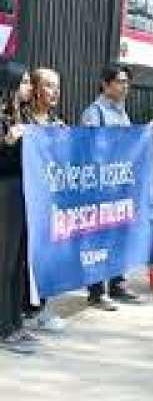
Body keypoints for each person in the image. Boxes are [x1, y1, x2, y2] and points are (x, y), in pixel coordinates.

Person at [9, 68, 67, 332]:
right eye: (48, 86)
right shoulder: (23, 119)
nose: (54, 92)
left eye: (57, 87)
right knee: (21, 259)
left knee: (46, 255)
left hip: (49, 200)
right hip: (22, 200)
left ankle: (41, 307)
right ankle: (24, 309)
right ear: (34, 89)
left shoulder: (58, 122)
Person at [80, 63, 140, 311]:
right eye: (120, 81)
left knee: (118, 236)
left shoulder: (122, 113)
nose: (125, 86)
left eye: (127, 82)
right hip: (100, 187)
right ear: (105, 84)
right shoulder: (94, 113)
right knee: (97, 239)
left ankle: (117, 283)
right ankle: (96, 291)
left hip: (120, 185)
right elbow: (88, 148)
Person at [0, 62, 38, 352]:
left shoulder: (24, 114)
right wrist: (7, 142)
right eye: (24, 82)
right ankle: (4, 327)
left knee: (19, 260)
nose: (29, 87)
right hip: (6, 191)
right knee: (5, 260)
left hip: (25, 191)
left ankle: (16, 321)